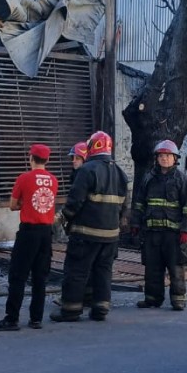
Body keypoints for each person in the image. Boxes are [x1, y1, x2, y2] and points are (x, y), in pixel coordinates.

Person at [53, 131, 129, 322]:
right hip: (111, 236)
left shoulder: (87, 170)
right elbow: (124, 206)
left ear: (92, 146)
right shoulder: (120, 173)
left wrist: (63, 217)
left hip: (86, 234)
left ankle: (70, 310)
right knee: (103, 272)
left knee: (77, 271)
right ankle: (100, 310)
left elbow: (75, 201)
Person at [0, 144, 58, 332]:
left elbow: (13, 205)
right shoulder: (53, 180)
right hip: (46, 232)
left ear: (31, 158)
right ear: (47, 160)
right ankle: (36, 318)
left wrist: (25, 203)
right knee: (40, 277)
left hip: (28, 231)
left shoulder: (24, 178)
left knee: (18, 275)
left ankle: (11, 318)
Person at [132, 139, 187, 311]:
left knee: (176, 268)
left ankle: (178, 299)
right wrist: (135, 223)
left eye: (168, 155)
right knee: (153, 268)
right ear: (156, 158)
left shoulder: (181, 180)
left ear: (175, 158)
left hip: (173, 234)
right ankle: (152, 299)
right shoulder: (148, 179)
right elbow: (139, 203)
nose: (164, 158)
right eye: (161, 155)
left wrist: (186, 230)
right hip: (152, 233)